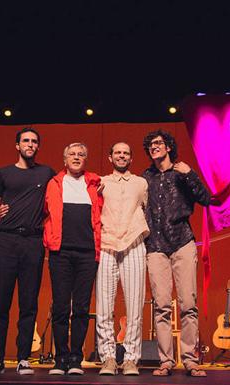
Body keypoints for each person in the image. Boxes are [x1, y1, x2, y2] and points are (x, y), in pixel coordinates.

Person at [0, 127, 55, 375]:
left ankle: (24, 358)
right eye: (26, 140)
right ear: (17, 145)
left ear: (38, 146)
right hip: (5, 242)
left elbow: (60, 197)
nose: (30, 144)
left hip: (32, 243)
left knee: (28, 302)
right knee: (1, 303)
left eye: (34, 141)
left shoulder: (46, 173)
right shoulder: (3, 173)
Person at [142, 130, 210, 377]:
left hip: (182, 242)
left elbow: (206, 198)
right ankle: (166, 361)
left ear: (169, 147)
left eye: (158, 143)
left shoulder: (182, 173)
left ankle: (190, 359)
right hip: (156, 246)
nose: (154, 147)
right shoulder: (145, 177)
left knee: (188, 304)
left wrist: (190, 174)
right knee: (161, 305)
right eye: (150, 144)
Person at [43, 142, 103, 375]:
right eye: (72, 154)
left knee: (80, 308)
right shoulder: (53, 184)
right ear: (64, 159)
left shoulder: (95, 183)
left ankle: (76, 359)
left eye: (81, 155)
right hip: (60, 253)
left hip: (88, 253)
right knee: (60, 307)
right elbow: (38, 209)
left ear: (85, 159)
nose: (76, 158)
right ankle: (61, 359)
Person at [96, 142, 149, 376]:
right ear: (110, 157)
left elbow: (147, 208)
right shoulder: (101, 182)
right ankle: (107, 357)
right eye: (117, 152)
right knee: (104, 306)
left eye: (126, 153)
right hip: (107, 243)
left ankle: (130, 359)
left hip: (134, 243)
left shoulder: (141, 183)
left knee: (135, 305)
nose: (121, 155)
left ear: (131, 158)